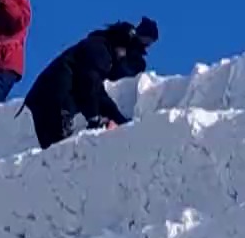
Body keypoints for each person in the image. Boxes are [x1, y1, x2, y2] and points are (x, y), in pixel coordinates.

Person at [21, 19, 158, 151]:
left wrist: (120, 120)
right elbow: (88, 85)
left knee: (54, 151)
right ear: (120, 45)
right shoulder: (100, 51)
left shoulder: (101, 51)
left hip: (46, 98)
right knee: (56, 149)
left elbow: (99, 94)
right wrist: (93, 117)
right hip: (52, 98)